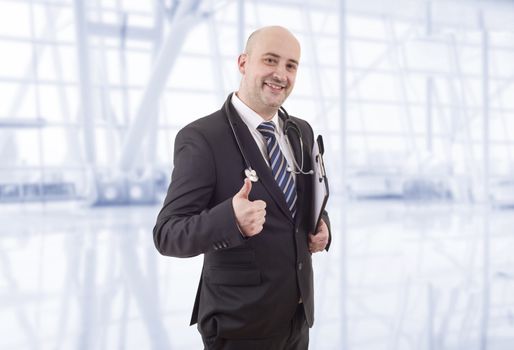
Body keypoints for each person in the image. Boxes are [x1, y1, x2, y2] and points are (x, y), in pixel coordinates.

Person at [153, 26, 331, 350]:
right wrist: (231, 219)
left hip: (297, 317)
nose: (281, 74)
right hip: (239, 326)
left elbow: (302, 203)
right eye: (270, 60)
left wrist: (322, 226)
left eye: (291, 65)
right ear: (243, 63)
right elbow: (168, 233)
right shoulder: (203, 138)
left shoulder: (300, 131)